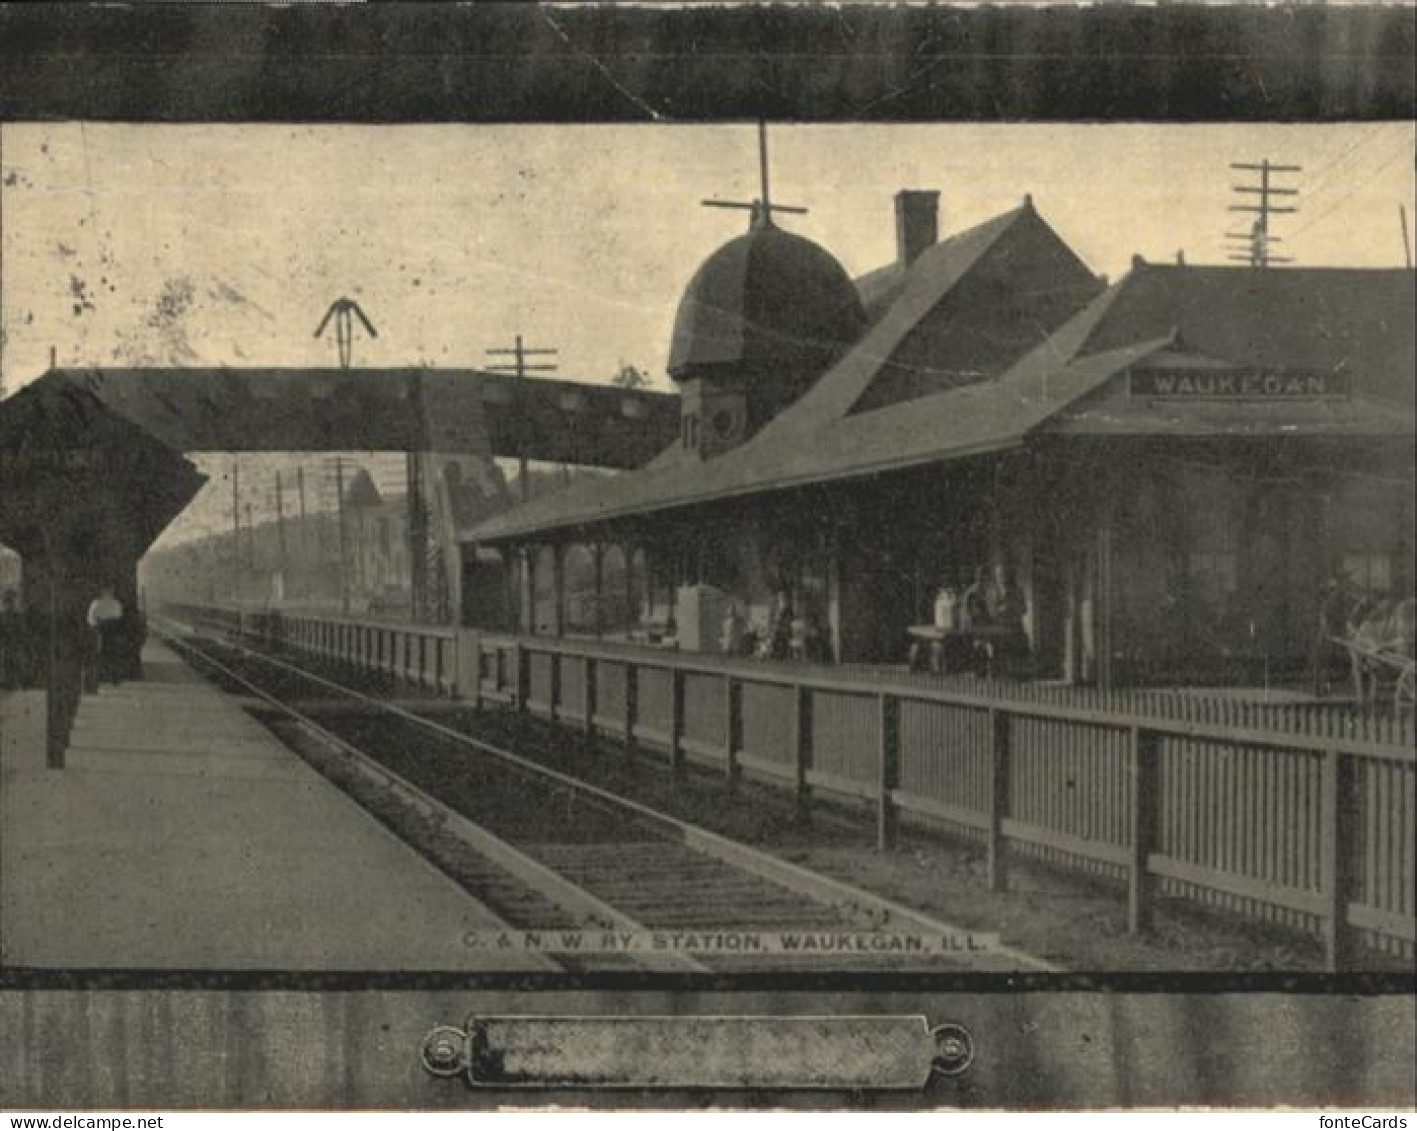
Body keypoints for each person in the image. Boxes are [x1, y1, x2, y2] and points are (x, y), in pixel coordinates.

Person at [86, 586, 124, 687]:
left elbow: (90, 620)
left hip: (100, 633)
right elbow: (119, 617)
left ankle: (97, 678)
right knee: (113, 656)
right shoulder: (116, 604)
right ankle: (114, 678)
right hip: (113, 634)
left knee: (97, 655)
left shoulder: (95, 603)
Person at [1, 589, 28, 689]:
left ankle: (16, 682)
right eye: (7, 601)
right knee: (7, 662)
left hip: (16, 644)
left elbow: (23, 630)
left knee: (16, 662)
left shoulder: (19, 616)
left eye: (11, 601)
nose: (9, 603)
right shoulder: (3, 616)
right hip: (7, 644)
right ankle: (8, 681)